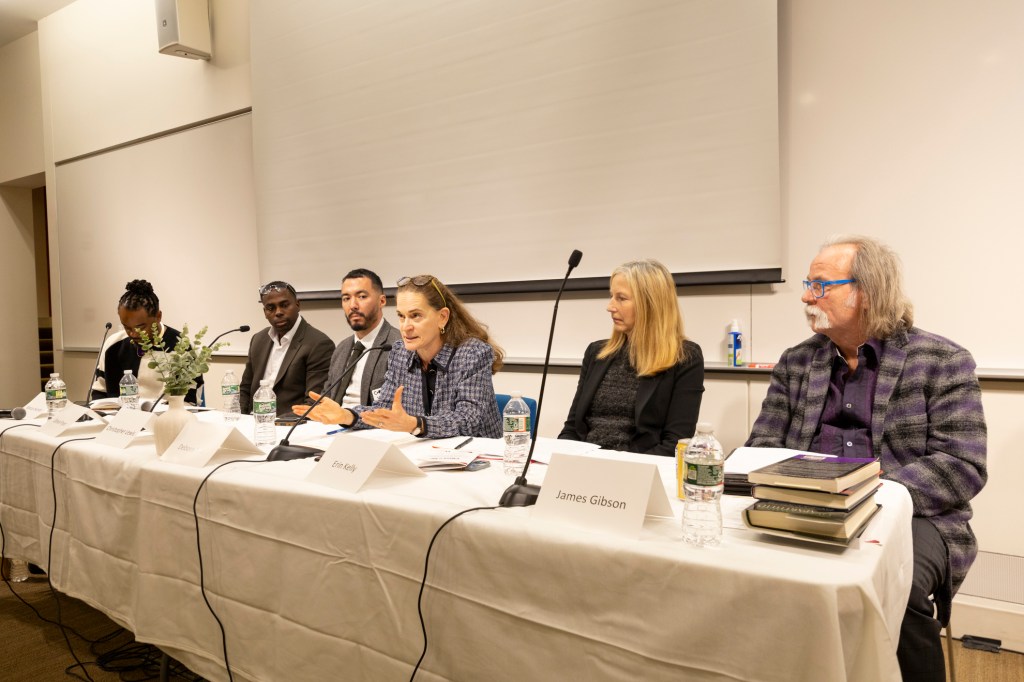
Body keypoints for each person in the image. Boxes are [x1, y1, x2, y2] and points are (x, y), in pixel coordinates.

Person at [745, 235, 987, 682]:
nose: (806, 297)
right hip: (806, 504)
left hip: (912, 515)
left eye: (820, 285)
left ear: (867, 292)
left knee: (896, 587)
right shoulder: (796, 362)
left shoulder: (942, 360)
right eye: (808, 284)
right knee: (741, 567)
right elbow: (761, 447)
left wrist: (865, 492)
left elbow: (962, 464)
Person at [294, 275, 502, 438]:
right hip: (426, 454)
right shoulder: (401, 352)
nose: (406, 327)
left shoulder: (472, 353)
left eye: (416, 316)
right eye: (401, 316)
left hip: (477, 458)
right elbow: (384, 409)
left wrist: (415, 424)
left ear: (442, 317)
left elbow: (468, 420)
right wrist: (347, 415)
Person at [558, 259, 704, 456]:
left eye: (621, 298)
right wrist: (561, 458)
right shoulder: (596, 352)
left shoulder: (685, 357)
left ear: (650, 304)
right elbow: (572, 429)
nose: (610, 307)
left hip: (638, 466)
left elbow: (675, 444)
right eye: (611, 296)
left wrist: (618, 465)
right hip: (585, 462)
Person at [91, 279, 203, 405]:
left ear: (158, 316)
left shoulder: (181, 348)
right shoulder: (114, 345)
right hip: (119, 416)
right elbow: (99, 392)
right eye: (127, 327)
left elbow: (190, 402)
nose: (133, 334)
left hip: (165, 416)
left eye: (140, 327)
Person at [239, 281, 335, 416]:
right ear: (265, 312)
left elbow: (313, 404)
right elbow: (245, 388)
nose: (278, 312)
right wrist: (240, 418)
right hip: (253, 421)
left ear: (298, 305)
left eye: (284, 305)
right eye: (271, 308)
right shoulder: (258, 340)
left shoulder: (319, 344)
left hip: (288, 424)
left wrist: (275, 424)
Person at [324, 269, 402, 408]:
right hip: (333, 420)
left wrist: (347, 416)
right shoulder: (341, 348)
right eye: (346, 298)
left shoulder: (398, 345)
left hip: (370, 420)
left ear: (382, 301)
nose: (353, 305)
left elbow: (391, 407)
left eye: (361, 296)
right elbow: (327, 397)